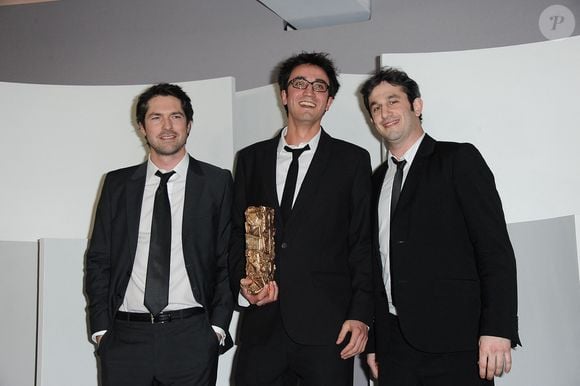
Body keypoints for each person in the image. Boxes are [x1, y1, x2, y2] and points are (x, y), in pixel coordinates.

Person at [360, 67, 521, 385]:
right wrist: (377, 343)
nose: (384, 113)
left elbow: (494, 249)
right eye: (376, 107)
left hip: (457, 343)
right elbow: (375, 268)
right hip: (394, 349)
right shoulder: (375, 181)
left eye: (393, 101)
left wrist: (497, 328)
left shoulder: (457, 159)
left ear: (416, 106)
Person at [229, 52, 373, 386]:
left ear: (329, 101)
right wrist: (243, 284)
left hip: (328, 330)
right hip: (261, 327)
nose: (308, 92)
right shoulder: (251, 159)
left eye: (319, 86)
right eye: (299, 83)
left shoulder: (352, 161)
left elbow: (362, 243)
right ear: (283, 95)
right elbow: (236, 233)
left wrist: (361, 314)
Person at [85, 83, 234, 386]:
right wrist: (101, 330)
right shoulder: (117, 184)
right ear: (141, 127)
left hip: (191, 335)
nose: (167, 126)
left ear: (188, 124)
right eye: (156, 117)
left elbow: (227, 258)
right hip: (125, 339)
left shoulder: (217, 183)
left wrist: (217, 327)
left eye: (176, 116)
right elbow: (99, 258)